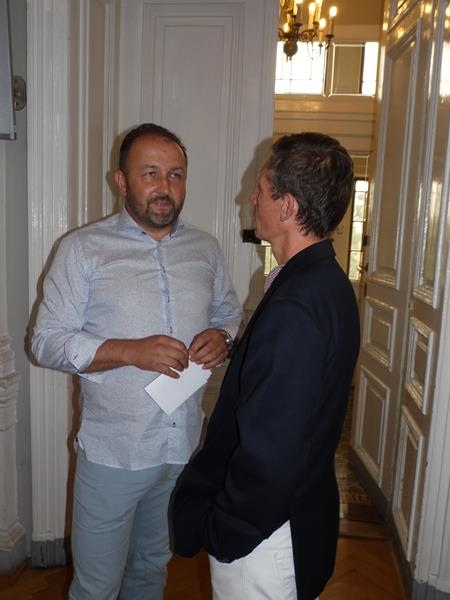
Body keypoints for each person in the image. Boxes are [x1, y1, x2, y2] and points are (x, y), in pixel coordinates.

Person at [31, 123, 241, 600]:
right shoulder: (82, 249)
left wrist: (224, 337)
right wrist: (129, 350)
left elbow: (229, 313)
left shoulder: (206, 249)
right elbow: (45, 342)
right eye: (150, 173)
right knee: (96, 587)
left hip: (181, 448)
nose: (164, 187)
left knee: (150, 571)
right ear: (121, 181)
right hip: (114, 454)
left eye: (175, 174)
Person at [171, 132, 361, 600]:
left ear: (287, 206)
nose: (250, 199)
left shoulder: (297, 302)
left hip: (264, 540)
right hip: (289, 518)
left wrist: (227, 529)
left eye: (260, 189)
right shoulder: (326, 282)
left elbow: (271, 450)